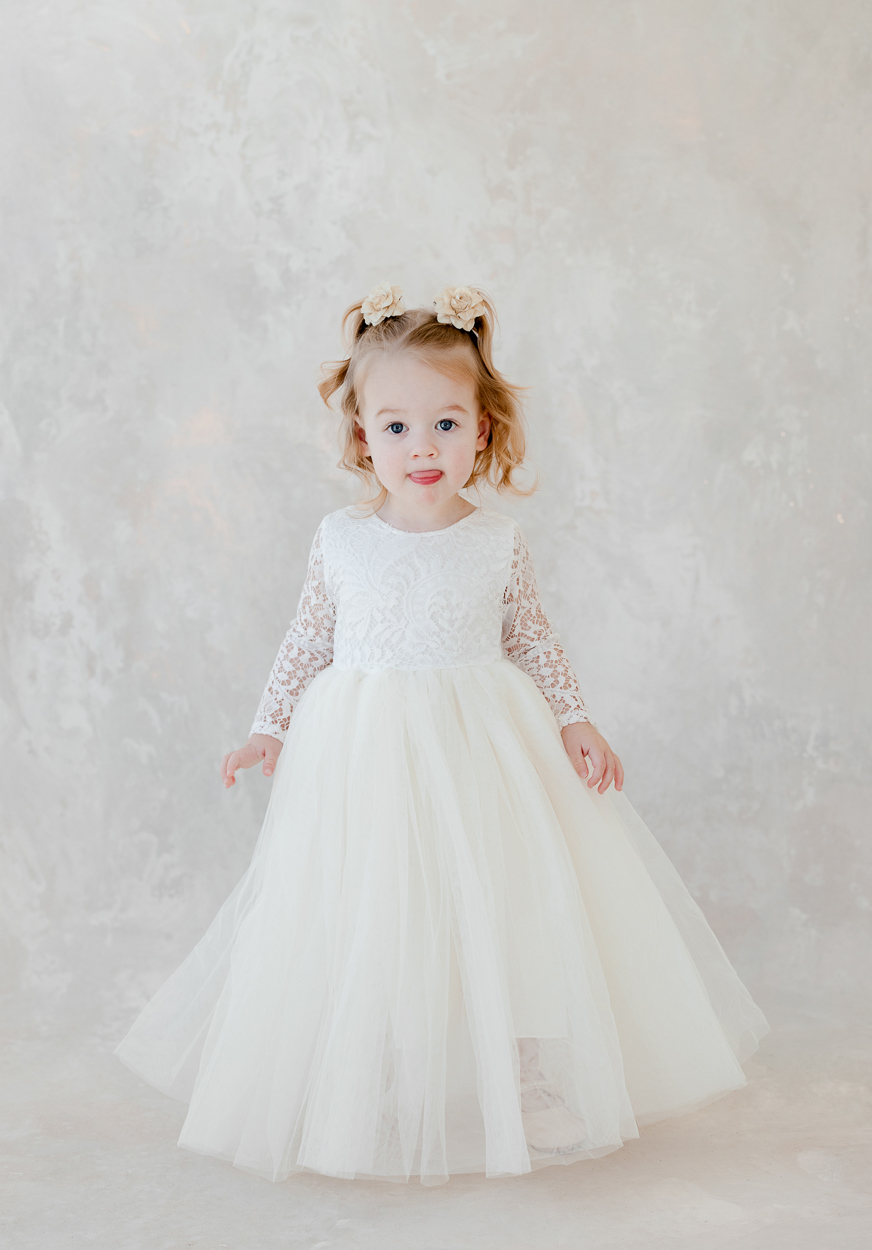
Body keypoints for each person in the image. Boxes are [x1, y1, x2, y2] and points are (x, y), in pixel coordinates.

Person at [116, 282, 768, 1185]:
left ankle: (531, 1074)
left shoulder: (495, 541)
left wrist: (576, 721)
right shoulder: (340, 539)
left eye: (446, 425)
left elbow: (534, 638)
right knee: (374, 902)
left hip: (483, 746)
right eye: (395, 428)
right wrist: (267, 731)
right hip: (365, 751)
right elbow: (307, 637)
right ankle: (375, 1078)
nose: (422, 447)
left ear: (485, 432)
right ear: (361, 439)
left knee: (510, 903)